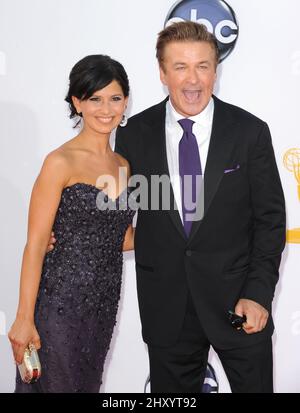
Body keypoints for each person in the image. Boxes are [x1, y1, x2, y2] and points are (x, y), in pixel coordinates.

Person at [114, 22, 286, 393]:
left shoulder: (249, 132)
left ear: (216, 70)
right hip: (167, 310)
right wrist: (64, 238)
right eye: (180, 67)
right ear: (162, 72)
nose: (193, 80)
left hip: (239, 305)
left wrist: (258, 294)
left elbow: (271, 222)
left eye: (203, 66)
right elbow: (114, 216)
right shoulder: (134, 135)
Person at [8, 54, 135, 393]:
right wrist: (24, 318)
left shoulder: (125, 165)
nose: (105, 109)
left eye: (115, 98)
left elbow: (121, 238)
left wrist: (185, 228)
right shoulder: (60, 162)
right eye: (94, 99)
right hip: (60, 303)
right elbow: (35, 244)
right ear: (78, 103)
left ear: (125, 102)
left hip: (104, 304)